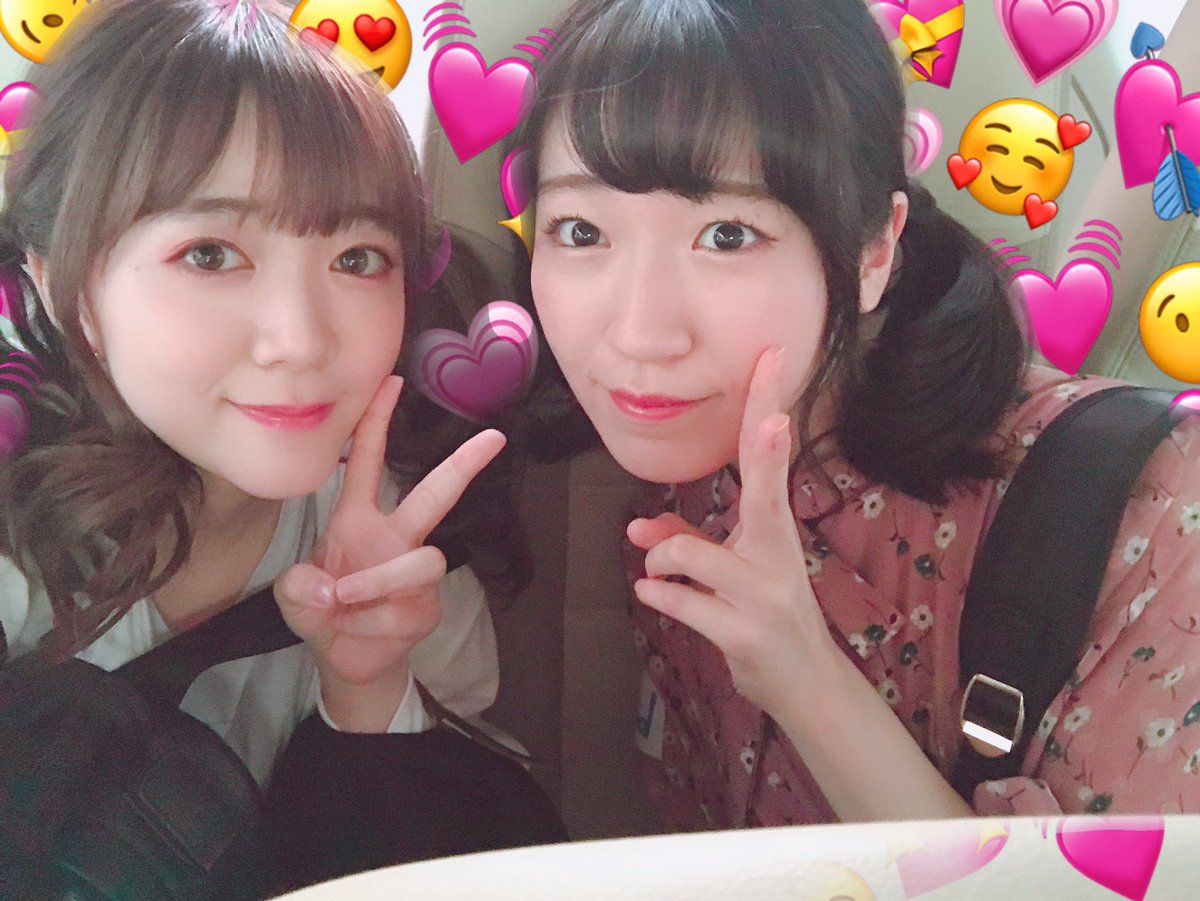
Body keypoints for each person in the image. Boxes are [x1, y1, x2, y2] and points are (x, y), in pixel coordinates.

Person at [518, 0, 1200, 824]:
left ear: (874, 251)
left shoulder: (1156, 513)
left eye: (728, 235)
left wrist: (807, 682)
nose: (640, 335)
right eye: (581, 230)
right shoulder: (673, 503)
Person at [0, 0, 563, 893]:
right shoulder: (18, 544)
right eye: (211, 254)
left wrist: (368, 688)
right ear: (61, 286)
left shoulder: (402, 549)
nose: (301, 340)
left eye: (357, 258)